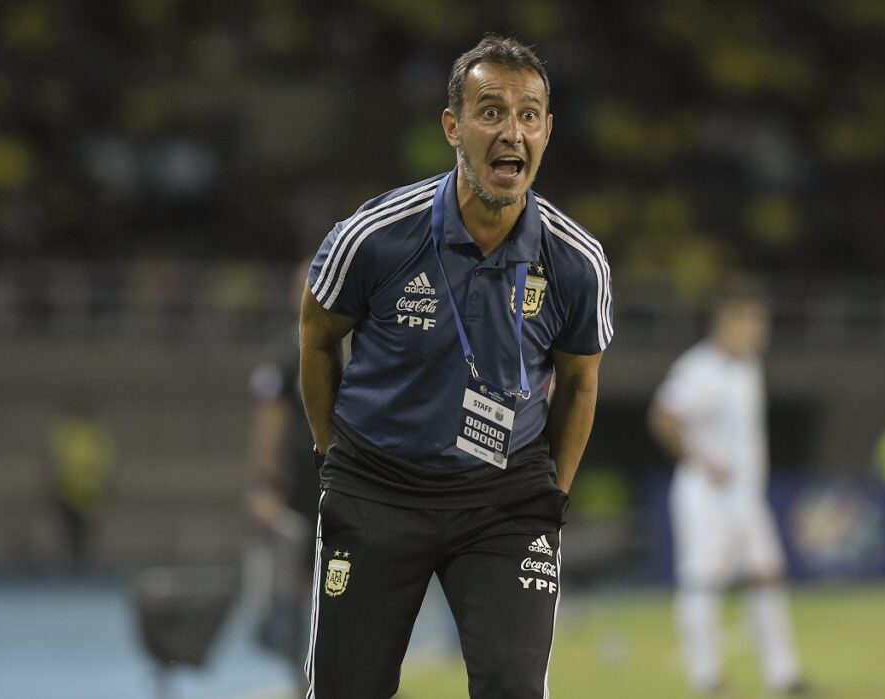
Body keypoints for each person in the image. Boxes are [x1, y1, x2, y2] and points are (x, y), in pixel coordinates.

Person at [299, 34, 612, 698]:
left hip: (505, 501)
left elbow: (581, 383)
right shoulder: (376, 236)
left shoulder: (576, 263)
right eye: (491, 111)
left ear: (548, 132)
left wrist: (550, 494)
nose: (512, 131)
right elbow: (317, 334)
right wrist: (334, 457)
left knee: (512, 687)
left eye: (529, 115)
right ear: (453, 126)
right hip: (377, 485)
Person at [648, 281, 809, 696]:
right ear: (725, 325)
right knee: (702, 582)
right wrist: (701, 461)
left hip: (746, 498)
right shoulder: (700, 368)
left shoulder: (748, 365)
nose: (759, 332)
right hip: (706, 496)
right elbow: (663, 416)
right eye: (751, 323)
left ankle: (783, 675)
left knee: (767, 577)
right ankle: (706, 677)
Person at [245, 263, 318, 696]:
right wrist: (264, 484)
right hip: (298, 488)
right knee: (297, 589)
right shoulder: (286, 352)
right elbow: (269, 422)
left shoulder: (346, 341)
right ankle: (302, 679)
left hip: (336, 482)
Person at [46, 392, 115, 573]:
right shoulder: (69, 433)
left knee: (82, 533)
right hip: (72, 492)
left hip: (85, 493)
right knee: (70, 532)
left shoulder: (91, 435)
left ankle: (80, 567)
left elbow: (103, 464)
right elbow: (54, 461)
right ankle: (73, 566)